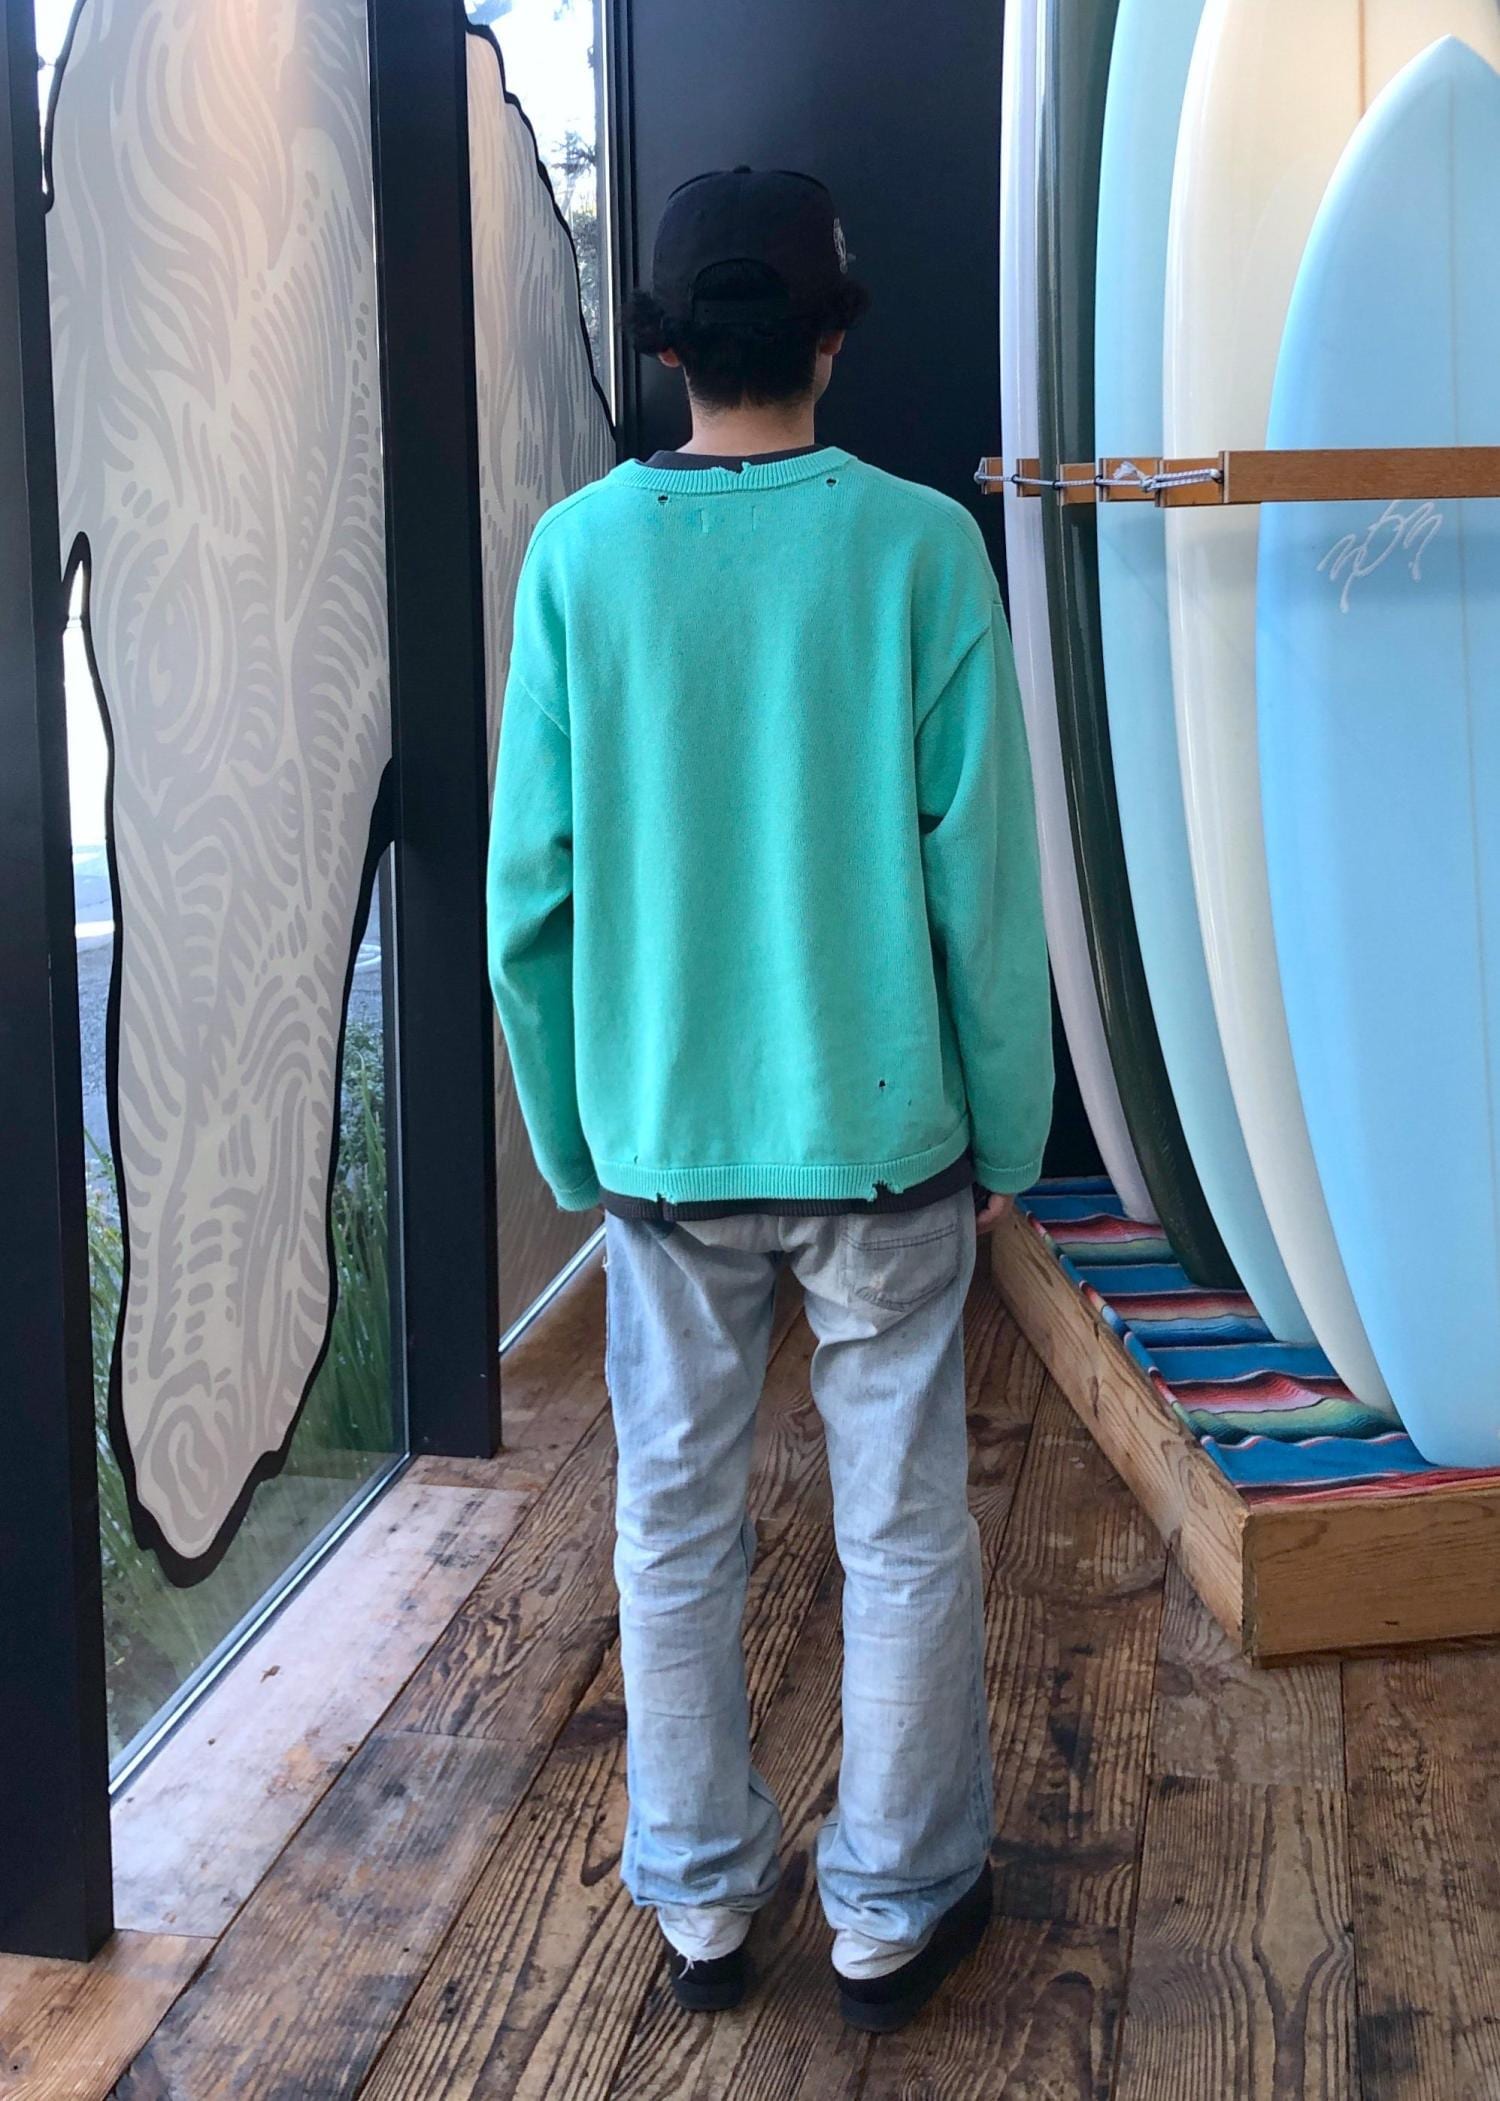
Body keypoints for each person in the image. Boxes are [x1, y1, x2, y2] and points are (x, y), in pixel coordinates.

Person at [488, 165, 1052, 2033]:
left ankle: (705, 1902)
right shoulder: (920, 551)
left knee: (672, 1517)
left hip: (662, 1143)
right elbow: (982, 887)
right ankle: (895, 1904)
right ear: (829, 338)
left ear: (665, 349)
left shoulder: (577, 560)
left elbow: (527, 902)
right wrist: (1008, 1128)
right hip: (882, 1133)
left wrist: (577, 1137)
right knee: (902, 1519)